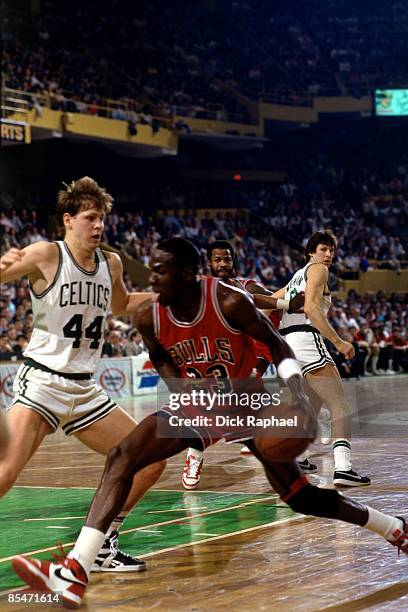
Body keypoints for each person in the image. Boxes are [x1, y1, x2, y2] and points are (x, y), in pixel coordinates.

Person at [12, 238, 406, 609]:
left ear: (187, 274)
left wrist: (298, 395)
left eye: (161, 270)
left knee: (300, 497)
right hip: (201, 403)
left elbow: (277, 343)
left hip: (246, 403)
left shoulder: (229, 301)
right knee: (124, 454)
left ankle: (392, 527)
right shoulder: (149, 315)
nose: (151, 278)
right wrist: (181, 389)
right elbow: (160, 356)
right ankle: (77, 568)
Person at [0, 177, 166, 572]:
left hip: (85, 391)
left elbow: (123, 305)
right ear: (68, 220)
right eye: (91, 218)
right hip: (42, 382)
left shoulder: (111, 262)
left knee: (149, 462)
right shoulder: (45, 255)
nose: (99, 226)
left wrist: (170, 294)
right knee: (5, 473)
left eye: (102, 219)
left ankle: (102, 543)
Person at [182, 240, 304, 489]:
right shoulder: (201, 289)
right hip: (210, 361)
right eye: (218, 260)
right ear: (209, 263)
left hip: (242, 362)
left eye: (227, 259)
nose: (223, 264)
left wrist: (286, 304)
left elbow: (261, 298)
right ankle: (194, 458)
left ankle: (282, 463)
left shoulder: (244, 286)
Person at [275, 230, 370, 486]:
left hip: (287, 345)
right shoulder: (318, 270)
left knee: (314, 401)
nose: (328, 255)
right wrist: (338, 341)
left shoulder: (296, 277)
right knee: (339, 404)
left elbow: (267, 303)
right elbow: (310, 308)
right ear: (310, 252)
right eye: (323, 249)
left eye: (331, 250)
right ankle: (343, 468)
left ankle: (299, 456)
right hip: (306, 339)